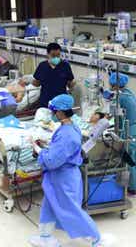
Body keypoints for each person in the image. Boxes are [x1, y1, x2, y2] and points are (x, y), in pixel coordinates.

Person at [29, 94, 102, 247]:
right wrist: (47, 145)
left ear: (61, 112)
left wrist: (37, 148)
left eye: (54, 111)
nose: (53, 115)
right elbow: (59, 149)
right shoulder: (69, 127)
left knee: (71, 209)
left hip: (63, 178)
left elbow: (52, 160)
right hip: (58, 177)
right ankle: (45, 236)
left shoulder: (67, 134)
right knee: (49, 204)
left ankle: (96, 238)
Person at [109, 72, 136, 193]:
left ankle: (131, 189)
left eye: (111, 85)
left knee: (128, 159)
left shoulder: (120, 97)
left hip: (129, 132)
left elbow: (112, 114)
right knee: (134, 159)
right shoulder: (129, 93)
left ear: (115, 85)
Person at [33, 43, 75, 108]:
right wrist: (30, 80)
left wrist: (73, 83)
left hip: (61, 102)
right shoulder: (42, 66)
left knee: (62, 117)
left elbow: (69, 84)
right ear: (48, 54)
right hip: (45, 102)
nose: (56, 57)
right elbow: (36, 83)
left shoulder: (65, 66)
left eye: (58, 55)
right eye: (53, 55)